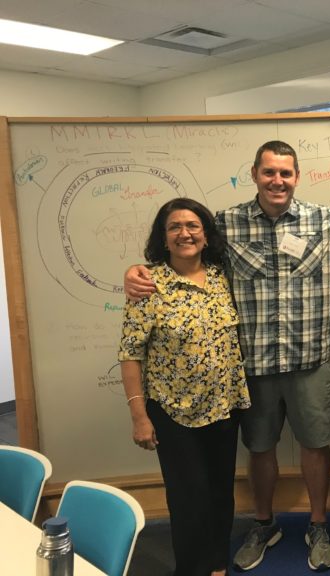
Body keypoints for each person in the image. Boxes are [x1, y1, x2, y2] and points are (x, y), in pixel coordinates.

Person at [124, 141, 330, 572]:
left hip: (310, 358)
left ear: (296, 176)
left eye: (286, 173)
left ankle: (318, 524)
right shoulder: (225, 224)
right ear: (254, 173)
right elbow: (183, 253)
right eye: (269, 172)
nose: (278, 181)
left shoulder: (321, 219)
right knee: (260, 447)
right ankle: (263, 522)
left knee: (315, 445)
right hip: (252, 366)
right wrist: (135, 271)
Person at [118, 198, 251, 576]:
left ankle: (216, 563)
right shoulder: (147, 284)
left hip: (225, 407)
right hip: (173, 411)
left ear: (206, 236)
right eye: (175, 227)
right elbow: (130, 353)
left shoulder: (224, 278)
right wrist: (139, 416)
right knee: (188, 498)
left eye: (192, 225)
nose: (184, 233)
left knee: (219, 493)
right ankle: (191, 569)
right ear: (164, 237)